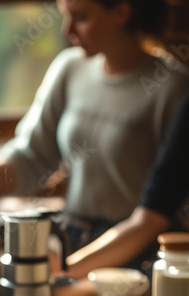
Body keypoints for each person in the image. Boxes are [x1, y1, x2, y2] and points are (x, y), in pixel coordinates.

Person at [0, 0, 189, 268]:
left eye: (80, 17)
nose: (67, 30)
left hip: (138, 255)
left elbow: (159, 210)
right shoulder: (70, 69)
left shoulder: (171, 88)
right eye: (65, 15)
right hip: (74, 241)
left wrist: (65, 274)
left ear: (121, 13)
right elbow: (29, 161)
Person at [61, 89, 189, 280]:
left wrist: (61, 272)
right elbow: (158, 203)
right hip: (80, 237)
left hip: (141, 251)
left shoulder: (170, 87)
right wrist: (61, 271)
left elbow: (151, 219)